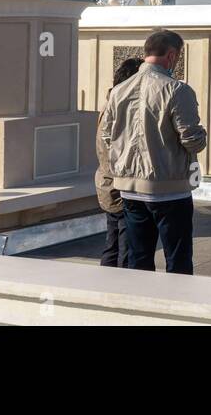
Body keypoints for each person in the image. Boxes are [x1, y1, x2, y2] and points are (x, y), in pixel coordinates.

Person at [101, 29, 206, 275]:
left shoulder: (118, 91)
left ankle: (142, 306)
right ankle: (176, 306)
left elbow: (108, 136)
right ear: (171, 55)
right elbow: (191, 140)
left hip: (129, 189)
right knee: (178, 258)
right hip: (169, 189)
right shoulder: (177, 90)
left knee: (139, 258)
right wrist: (201, 137)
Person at [96, 57, 141, 268]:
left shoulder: (109, 104)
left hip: (107, 183)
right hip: (118, 186)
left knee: (113, 243)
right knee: (125, 247)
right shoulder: (119, 109)